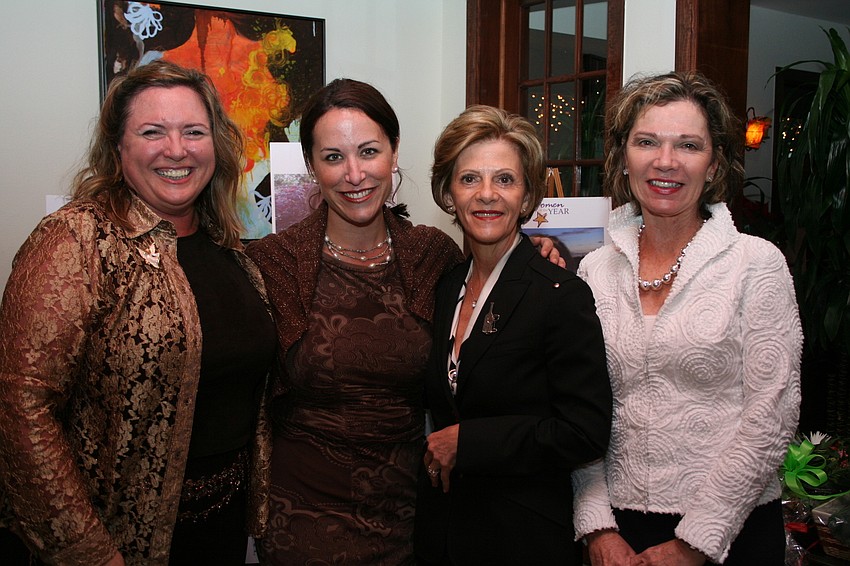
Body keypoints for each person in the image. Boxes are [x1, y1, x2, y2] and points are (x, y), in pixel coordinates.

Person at [245, 80, 563, 565]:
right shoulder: (274, 263)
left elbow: (487, 323)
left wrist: (536, 252)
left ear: (394, 152)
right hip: (303, 516)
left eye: (369, 151)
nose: (354, 174)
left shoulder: (430, 255)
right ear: (311, 167)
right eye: (333, 157)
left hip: (414, 513)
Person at [0, 60, 277, 565]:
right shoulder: (76, 239)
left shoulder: (230, 249)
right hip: (116, 540)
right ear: (118, 147)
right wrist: (88, 553)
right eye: (153, 132)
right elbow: (21, 408)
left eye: (194, 131)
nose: (177, 149)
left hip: (224, 526)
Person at [572, 71, 803, 565]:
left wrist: (694, 542)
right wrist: (596, 528)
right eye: (647, 141)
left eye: (689, 145)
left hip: (731, 531)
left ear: (714, 161)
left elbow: (772, 416)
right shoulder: (594, 269)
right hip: (616, 531)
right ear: (624, 155)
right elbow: (577, 409)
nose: (666, 161)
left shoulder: (755, 263)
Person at [414, 104, 613, 565]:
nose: (487, 195)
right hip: (445, 532)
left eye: (504, 179)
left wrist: (470, 441)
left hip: (523, 537)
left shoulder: (560, 293)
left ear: (527, 197)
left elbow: (584, 432)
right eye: (469, 179)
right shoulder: (446, 287)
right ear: (449, 193)